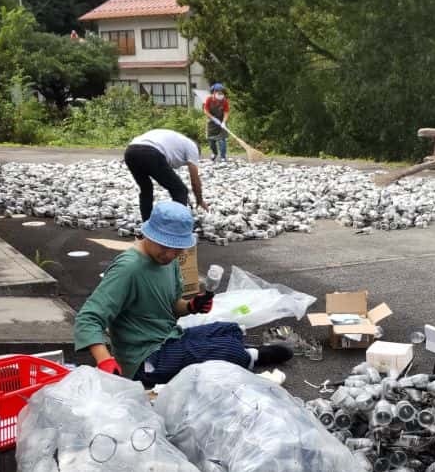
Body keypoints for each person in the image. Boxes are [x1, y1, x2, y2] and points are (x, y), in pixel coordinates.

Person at [75, 201, 293, 386]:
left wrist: (191, 306)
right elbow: (88, 317)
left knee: (228, 328)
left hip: (169, 336)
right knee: (224, 349)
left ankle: (240, 351)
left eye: (177, 248)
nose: (170, 254)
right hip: (145, 359)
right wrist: (105, 360)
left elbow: (172, 306)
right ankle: (249, 356)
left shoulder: (168, 260)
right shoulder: (128, 268)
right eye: (164, 246)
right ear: (149, 234)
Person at [124, 128, 208, 222]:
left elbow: (166, 171)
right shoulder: (193, 147)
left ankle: (146, 226)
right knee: (180, 190)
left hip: (130, 151)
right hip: (151, 152)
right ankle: (176, 226)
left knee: (146, 189)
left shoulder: (177, 142)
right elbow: (195, 181)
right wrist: (199, 200)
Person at [203, 83, 230, 161]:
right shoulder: (209, 99)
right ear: (214, 93)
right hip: (211, 122)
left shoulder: (224, 101)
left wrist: (224, 122)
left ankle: (223, 157)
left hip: (221, 122)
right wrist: (213, 118)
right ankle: (214, 153)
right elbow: (206, 110)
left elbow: (226, 112)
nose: (221, 95)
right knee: (211, 141)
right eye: (219, 93)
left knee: (222, 140)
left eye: (222, 93)